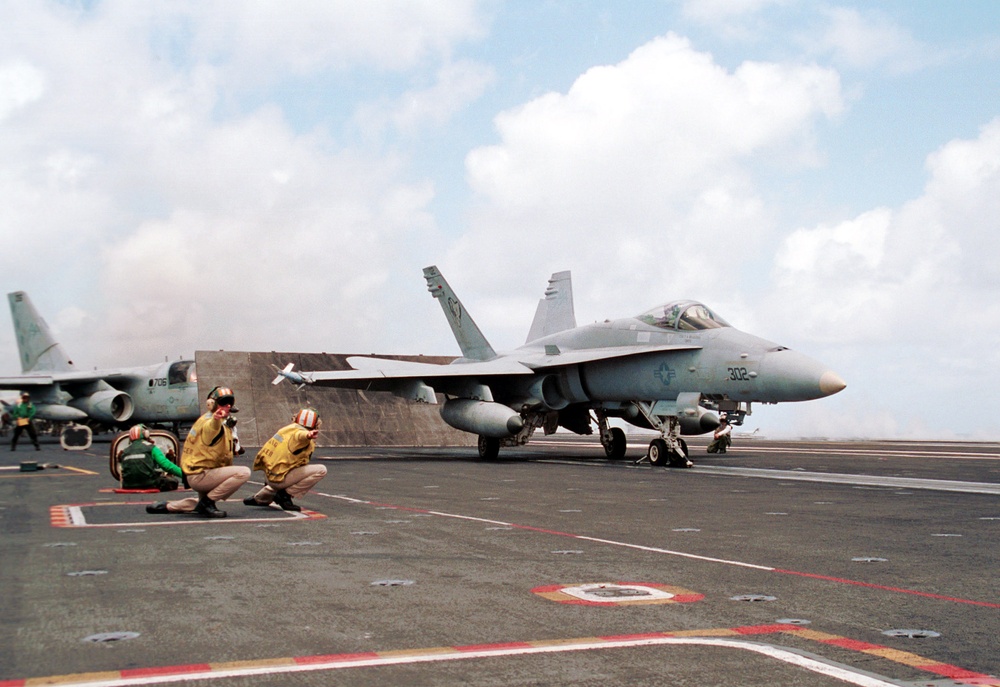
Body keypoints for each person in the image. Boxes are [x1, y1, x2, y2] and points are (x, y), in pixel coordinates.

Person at [146, 386, 249, 518]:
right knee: (243, 473)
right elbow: (210, 431)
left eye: (230, 402)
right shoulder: (211, 422)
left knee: (198, 505)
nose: (228, 405)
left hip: (196, 472)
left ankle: (166, 506)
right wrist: (216, 420)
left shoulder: (205, 419)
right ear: (213, 404)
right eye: (224, 402)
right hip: (201, 475)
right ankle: (208, 502)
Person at [244, 408, 327, 512]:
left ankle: (261, 498)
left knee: (288, 468)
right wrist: (308, 435)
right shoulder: (302, 434)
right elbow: (300, 436)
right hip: (277, 479)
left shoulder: (286, 429)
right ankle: (285, 496)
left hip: (268, 474)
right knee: (321, 470)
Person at [119, 424, 182, 491]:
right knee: (173, 482)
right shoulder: (151, 448)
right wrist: (184, 475)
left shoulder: (125, 451)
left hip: (127, 485)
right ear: (146, 434)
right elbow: (166, 465)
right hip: (149, 484)